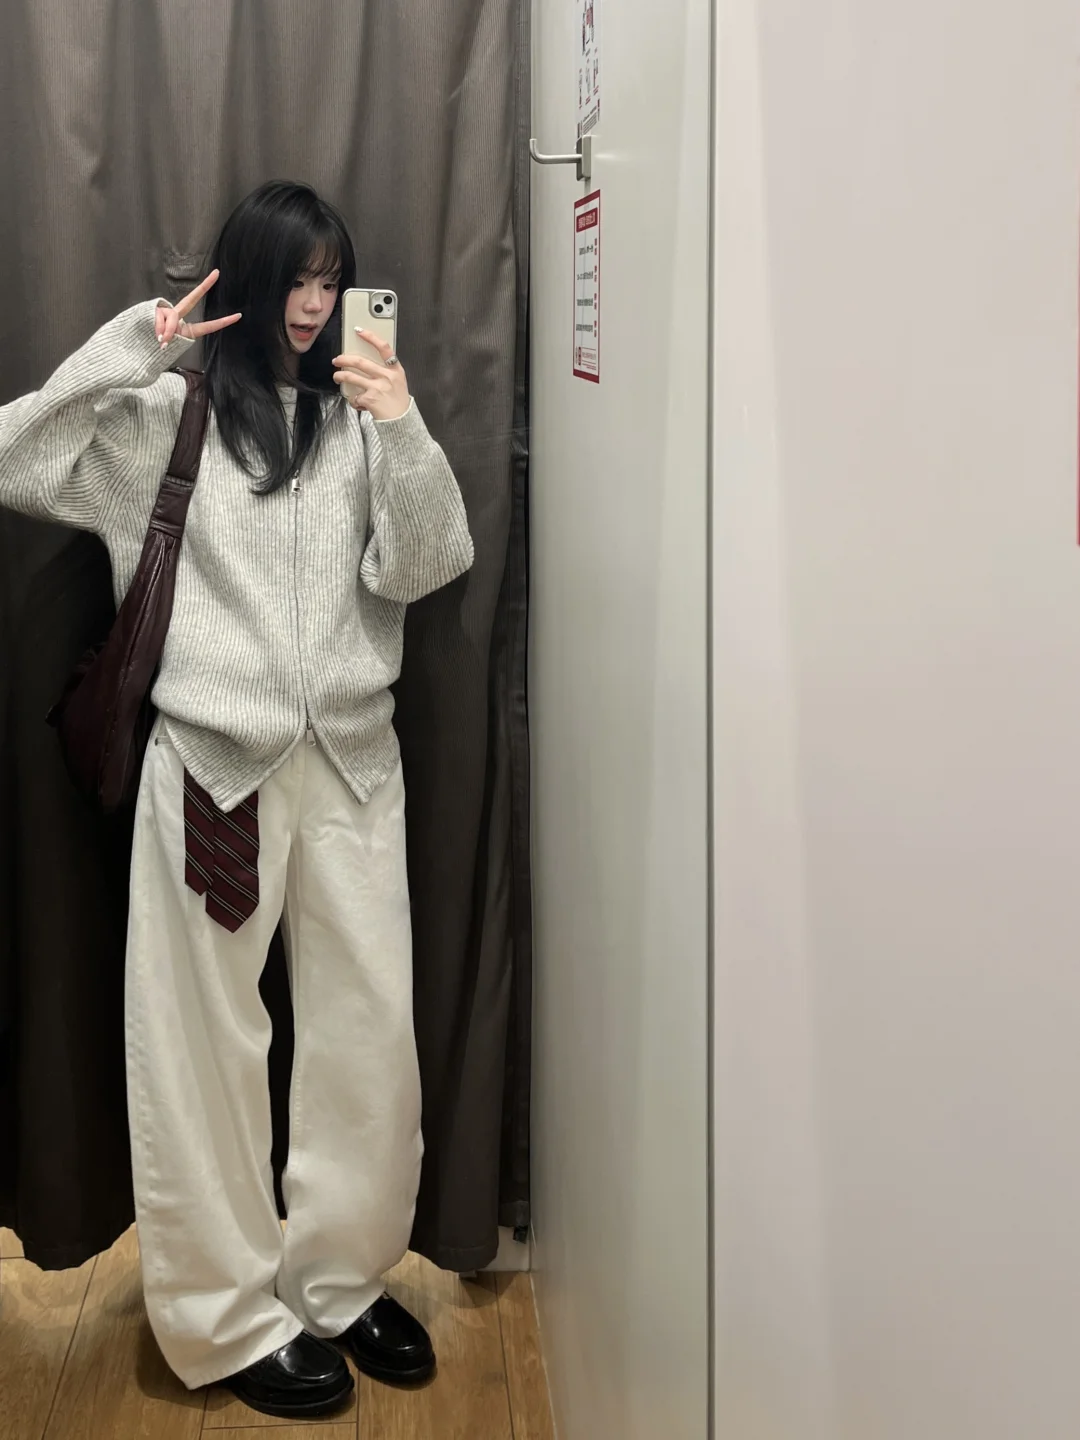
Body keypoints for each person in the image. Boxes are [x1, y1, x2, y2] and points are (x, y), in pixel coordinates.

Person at [0, 180, 474, 1419]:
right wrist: (134, 348)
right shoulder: (169, 421)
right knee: (201, 1049)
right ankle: (222, 1318)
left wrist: (403, 423)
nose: (314, 305)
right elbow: (15, 457)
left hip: (356, 770)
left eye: (333, 281)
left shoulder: (365, 419)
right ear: (251, 281)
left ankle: (340, 1279)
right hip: (215, 773)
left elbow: (429, 564)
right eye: (296, 280)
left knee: (368, 1038)